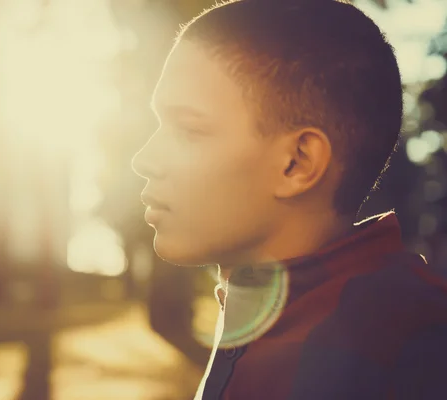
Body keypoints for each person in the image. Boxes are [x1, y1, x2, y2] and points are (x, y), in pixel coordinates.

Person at [130, 0, 447, 399]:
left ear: (297, 163)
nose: (143, 160)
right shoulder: (262, 312)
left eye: (189, 130)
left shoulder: (410, 353)